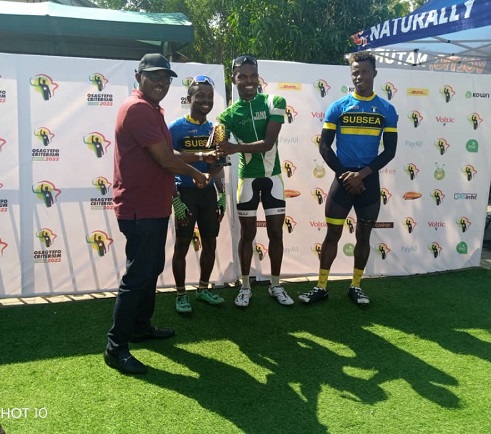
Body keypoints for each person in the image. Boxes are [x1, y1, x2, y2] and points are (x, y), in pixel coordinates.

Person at [105, 53, 210, 375]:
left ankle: (140, 327)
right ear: (138, 76)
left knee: (151, 269)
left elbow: (168, 153)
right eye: (154, 76)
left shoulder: (153, 110)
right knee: (137, 276)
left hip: (154, 204)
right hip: (140, 207)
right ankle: (116, 346)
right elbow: (166, 160)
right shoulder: (137, 109)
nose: (161, 83)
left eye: (166, 78)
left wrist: (201, 154)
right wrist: (196, 172)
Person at [298, 51, 398, 306]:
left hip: (368, 182)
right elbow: (324, 147)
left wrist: (362, 174)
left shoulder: (387, 109)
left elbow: (390, 151)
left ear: (374, 73)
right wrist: (346, 175)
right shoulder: (338, 107)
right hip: (342, 181)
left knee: (363, 237)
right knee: (332, 235)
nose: (359, 76)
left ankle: (356, 285)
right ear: (350, 74)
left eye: (364, 71)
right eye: (355, 71)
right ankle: (321, 286)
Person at [217, 54, 293, 308]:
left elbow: (268, 143)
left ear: (258, 77)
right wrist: (218, 145)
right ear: (234, 79)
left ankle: (276, 285)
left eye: (253, 76)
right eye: (242, 77)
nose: (248, 81)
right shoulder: (227, 115)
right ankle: (245, 286)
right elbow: (219, 146)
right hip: (247, 180)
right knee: (247, 234)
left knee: (275, 234)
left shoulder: (274, 101)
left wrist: (232, 148)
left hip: (273, 178)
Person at [169, 75, 226, 314]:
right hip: (185, 193)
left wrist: (220, 192)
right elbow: (168, 161)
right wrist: (174, 198)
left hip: (207, 194)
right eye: (200, 95)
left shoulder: (217, 129)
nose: (205, 100)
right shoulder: (175, 127)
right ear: (189, 98)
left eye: (210, 97)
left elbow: (220, 163)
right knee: (182, 244)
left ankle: (203, 288)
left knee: (210, 242)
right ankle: (181, 294)